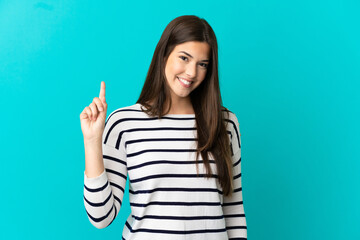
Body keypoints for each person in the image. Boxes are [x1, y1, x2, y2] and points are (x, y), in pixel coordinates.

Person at [80, 15, 247, 240]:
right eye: (184, 58)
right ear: (164, 54)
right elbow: (101, 217)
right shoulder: (124, 123)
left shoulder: (225, 124)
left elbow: (233, 210)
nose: (191, 73)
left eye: (202, 64)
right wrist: (91, 141)